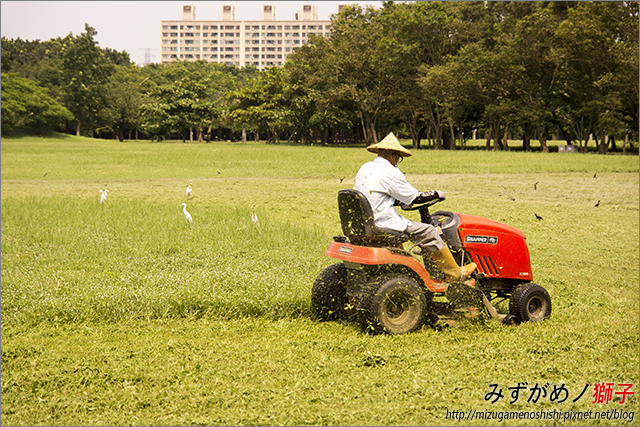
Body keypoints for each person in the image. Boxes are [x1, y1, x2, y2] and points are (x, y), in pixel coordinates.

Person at [353, 132, 477, 282]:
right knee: (429, 231)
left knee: (403, 232)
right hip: (382, 223)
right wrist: (436, 194)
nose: (398, 161)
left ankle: (401, 272)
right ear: (393, 155)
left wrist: (398, 202)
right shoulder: (391, 172)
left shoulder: (365, 168)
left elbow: (379, 195)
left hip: (365, 221)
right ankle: (455, 272)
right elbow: (416, 198)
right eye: (399, 158)